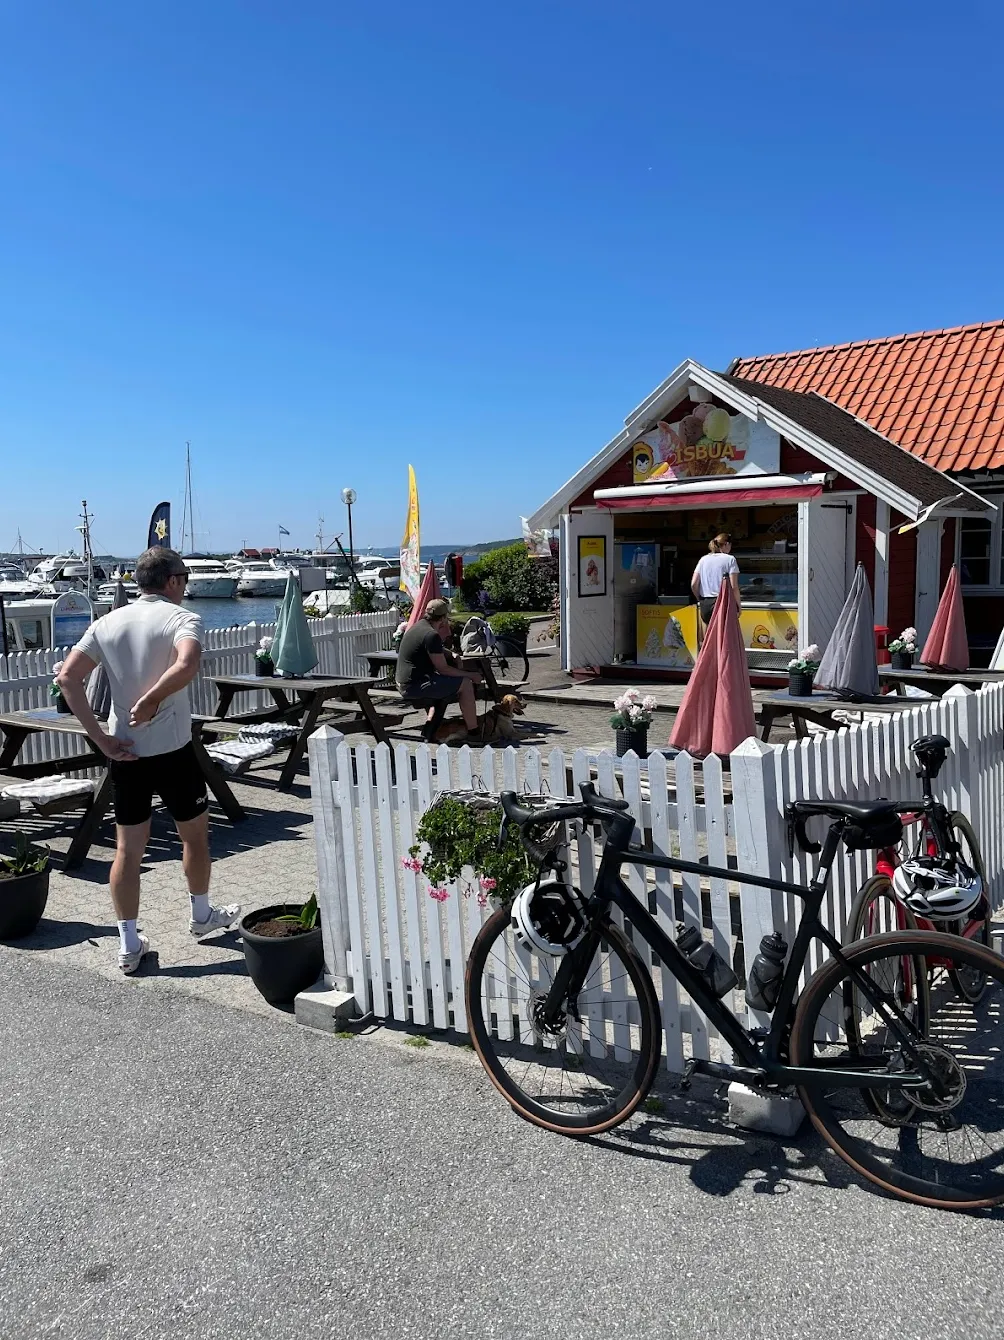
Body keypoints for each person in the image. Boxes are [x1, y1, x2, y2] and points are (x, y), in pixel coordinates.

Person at [56, 547, 240, 975]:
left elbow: (67, 678)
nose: (187, 585)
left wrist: (100, 737)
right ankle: (200, 915)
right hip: (173, 752)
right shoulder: (181, 618)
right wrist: (153, 699)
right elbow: (187, 662)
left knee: (128, 851)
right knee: (194, 838)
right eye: (186, 578)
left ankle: (128, 943)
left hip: (125, 753)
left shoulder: (107, 621)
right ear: (173, 580)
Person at [395, 598, 482, 741]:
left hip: (404, 683)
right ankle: (474, 732)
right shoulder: (432, 635)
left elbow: (433, 648)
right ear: (443, 618)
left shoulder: (418, 627)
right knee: (465, 684)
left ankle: (430, 730)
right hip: (414, 686)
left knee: (444, 688)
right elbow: (444, 669)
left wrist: (450, 653)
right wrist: (472, 675)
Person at [691, 532, 742, 627]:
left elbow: (694, 584)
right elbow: (734, 586)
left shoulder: (703, 559)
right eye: (730, 545)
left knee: (709, 635)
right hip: (723, 603)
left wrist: (700, 599)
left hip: (706, 604)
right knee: (724, 636)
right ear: (727, 544)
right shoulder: (730, 559)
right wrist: (738, 605)